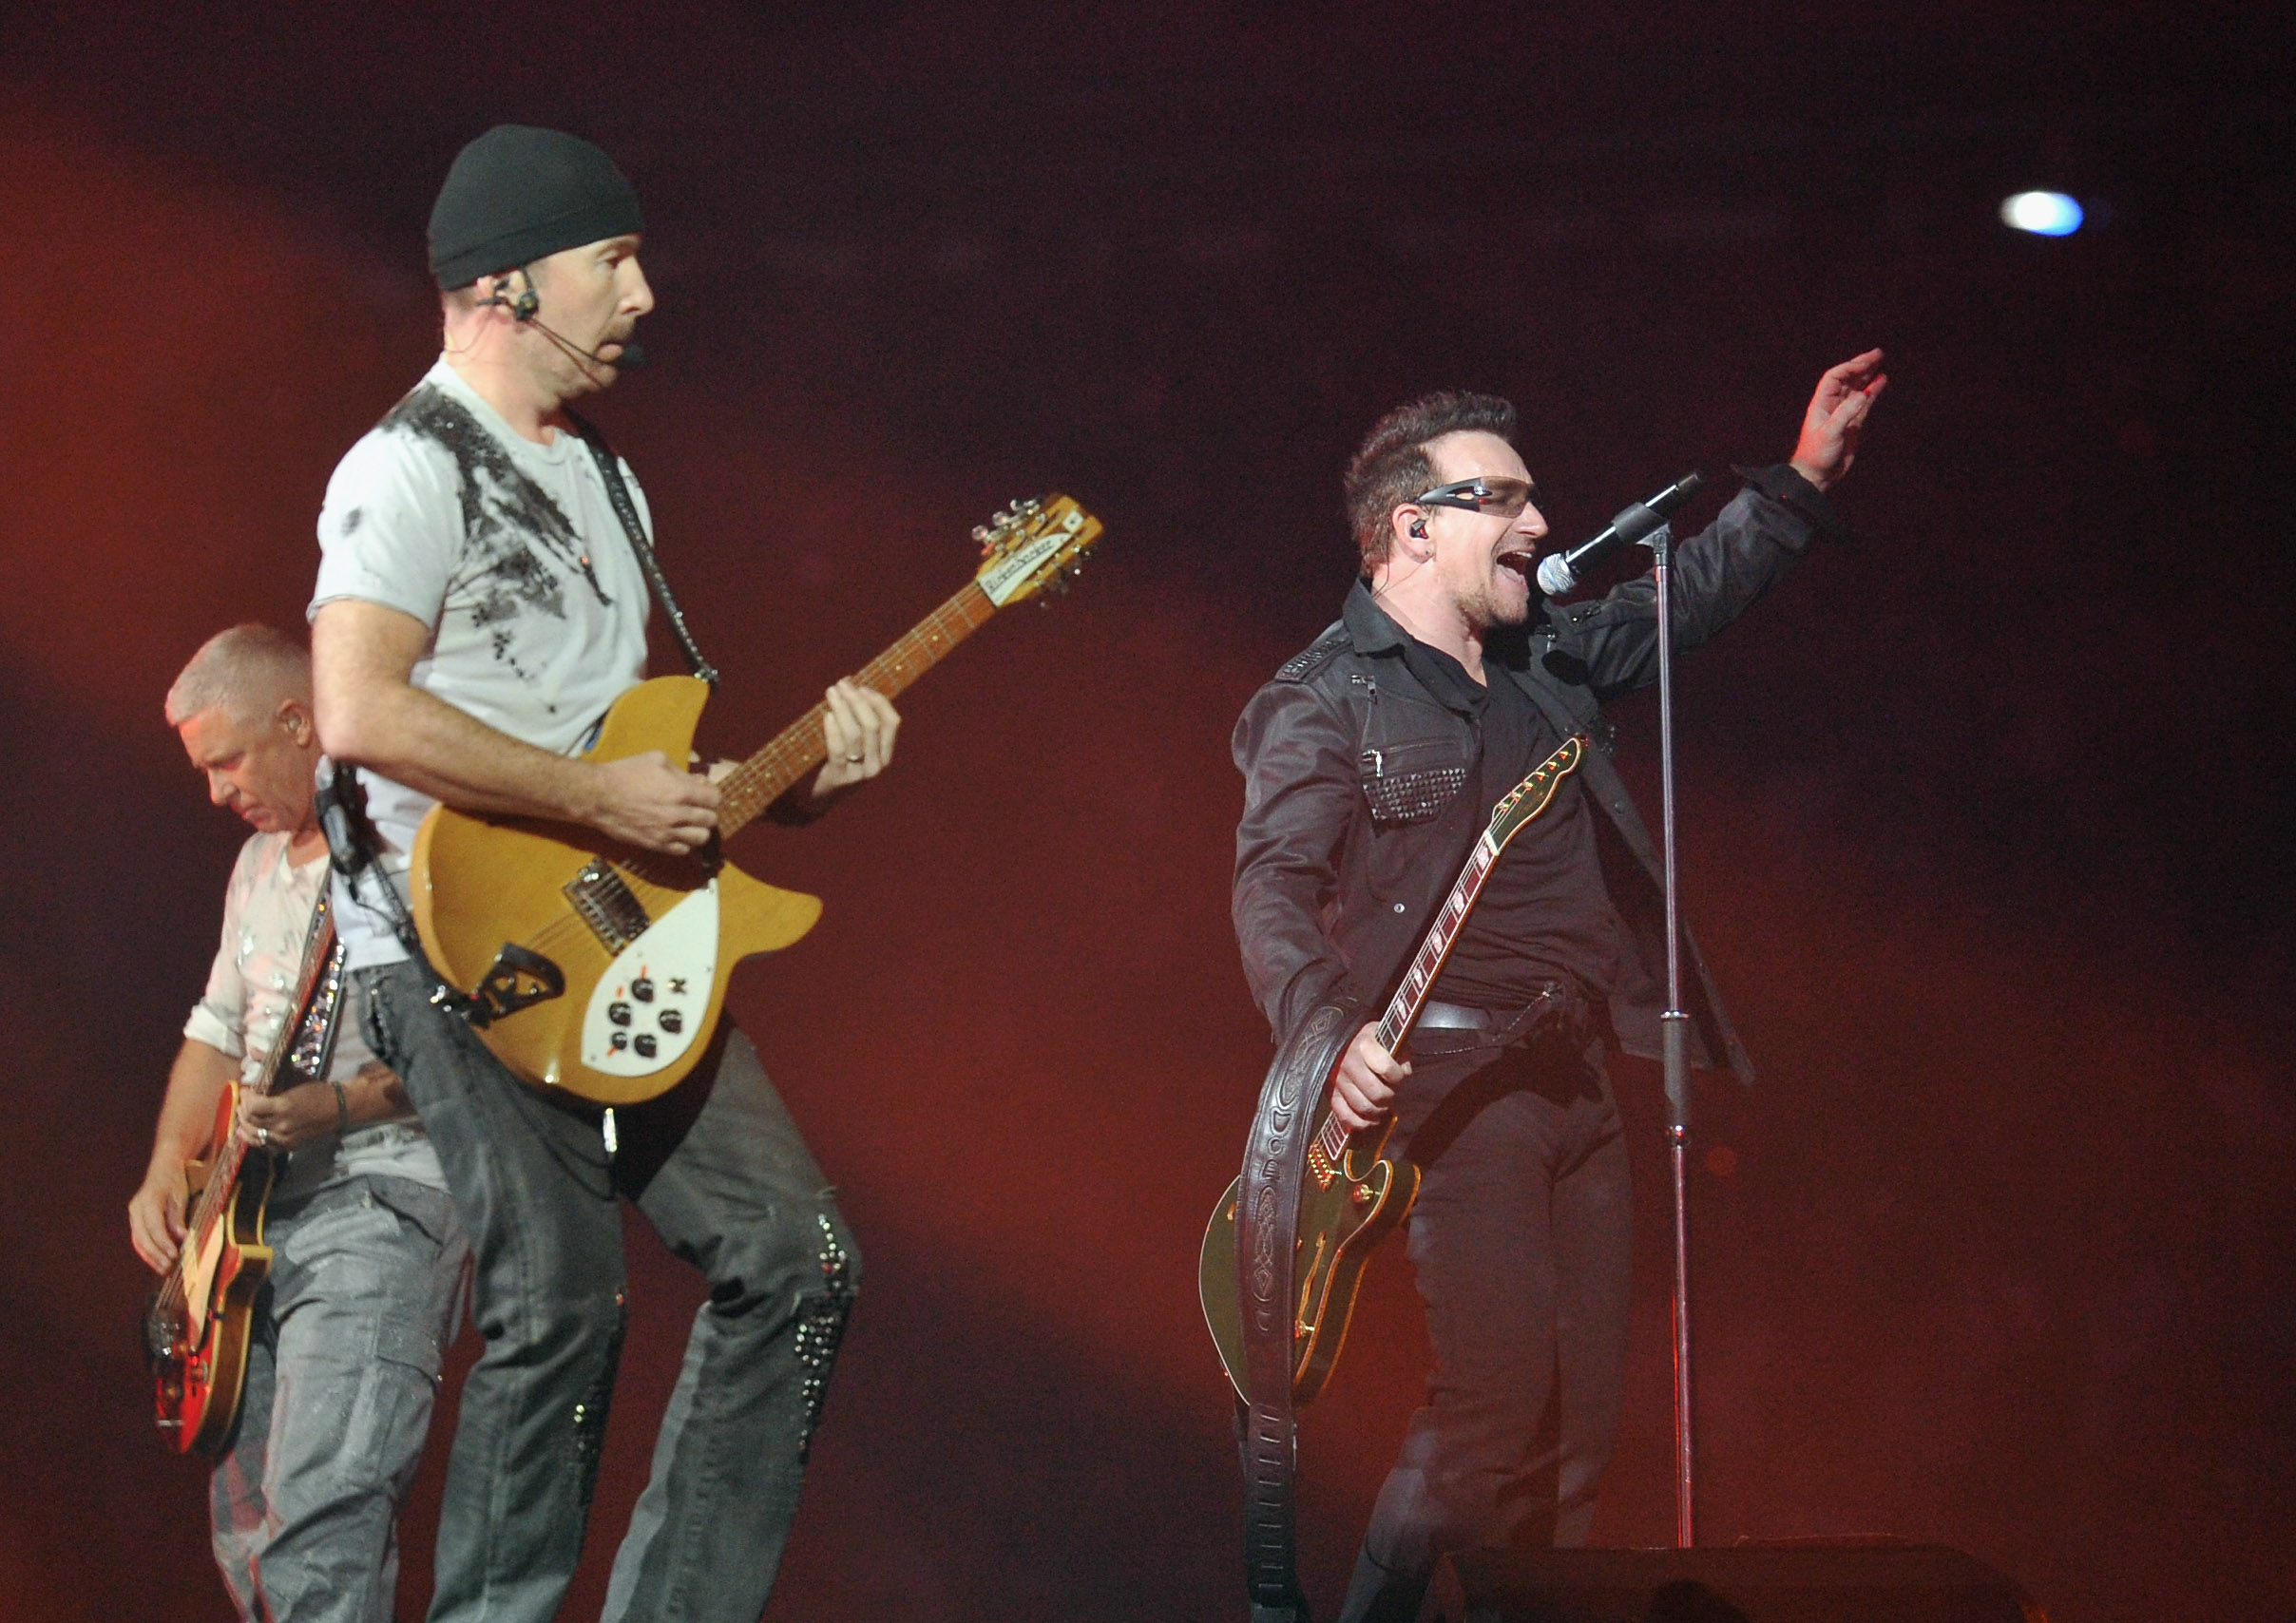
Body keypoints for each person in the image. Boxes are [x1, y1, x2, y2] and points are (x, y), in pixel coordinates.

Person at [307, 124, 900, 1623]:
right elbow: (359, 710)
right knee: (557, 1305)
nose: (643, 292)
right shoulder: (406, 464)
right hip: (453, 950)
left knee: (801, 1261)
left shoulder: (610, 485)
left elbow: (639, 759)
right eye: (614, 259)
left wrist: (797, 787)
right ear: (507, 281)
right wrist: (595, 798)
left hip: (624, 942)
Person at [1230, 353, 1886, 1620]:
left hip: (1579, 1075)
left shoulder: (1547, 655)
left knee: (1578, 1439)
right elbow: (1270, 890)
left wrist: (1801, 479)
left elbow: (1685, 593)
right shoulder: (1323, 701)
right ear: (1413, 528)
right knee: (1494, 1423)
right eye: (1504, 501)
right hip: (1456, 1096)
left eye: (1535, 501)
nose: (1538, 524)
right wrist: (1331, 1034)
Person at [128, 622, 469, 1623]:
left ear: (296, 719)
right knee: (251, 1530)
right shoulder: (256, 869)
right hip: (252, 1224)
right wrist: (165, 1166)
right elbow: (217, 1030)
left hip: (380, 1195)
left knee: (324, 1519)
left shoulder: (411, 842)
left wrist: (340, 1104)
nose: (216, 791)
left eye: (226, 759)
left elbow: (474, 1035)